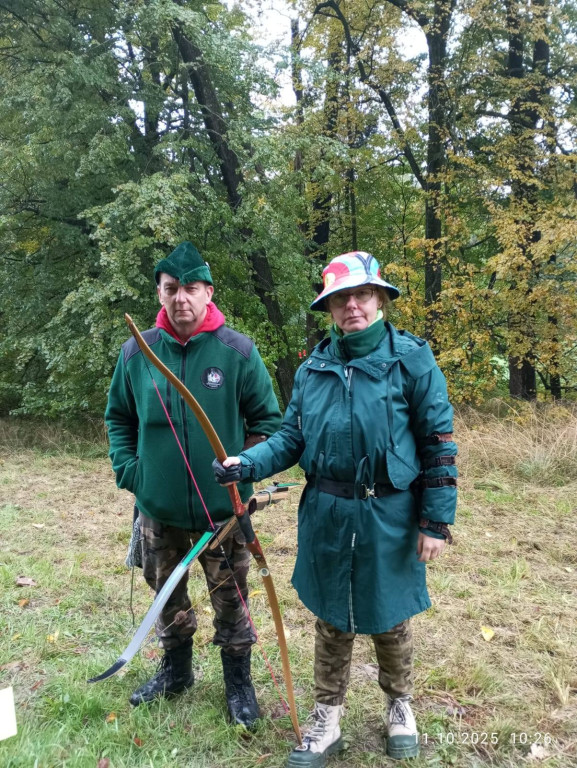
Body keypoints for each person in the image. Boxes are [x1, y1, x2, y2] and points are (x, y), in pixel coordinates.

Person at [213, 251, 457, 764]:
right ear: (329, 309)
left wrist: (435, 520)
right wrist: (247, 462)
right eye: (341, 299)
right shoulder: (313, 368)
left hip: (390, 514)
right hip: (326, 512)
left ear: (380, 299)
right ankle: (327, 718)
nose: (353, 306)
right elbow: (291, 438)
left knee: (390, 619)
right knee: (332, 619)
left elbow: (437, 444)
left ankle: (399, 707)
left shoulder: (412, 360)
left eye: (362, 295)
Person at [105, 241, 282, 726]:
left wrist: (245, 466)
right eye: (170, 289)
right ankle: (176, 670)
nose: (181, 298)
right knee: (166, 593)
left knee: (232, 598)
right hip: (157, 509)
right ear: (160, 294)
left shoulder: (238, 351)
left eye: (190, 288)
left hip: (221, 513)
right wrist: (130, 470)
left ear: (207, 292)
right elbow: (119, 418)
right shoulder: (136, 352)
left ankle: (238, 684)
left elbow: (268, 423)